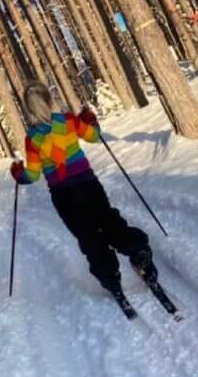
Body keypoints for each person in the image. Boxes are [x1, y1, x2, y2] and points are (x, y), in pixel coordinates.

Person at [10, 81, 158, 302]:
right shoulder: (69, 121)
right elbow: (94, 136)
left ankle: (109, 277)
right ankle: (136, 250)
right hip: (87, 184)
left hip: (63, 194)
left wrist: (18, 173)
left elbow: (32, 176)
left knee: (87, 234)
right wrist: (90, 120)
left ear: (28, 109)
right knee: (107, 220)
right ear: (50, 101)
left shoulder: (33, 138)